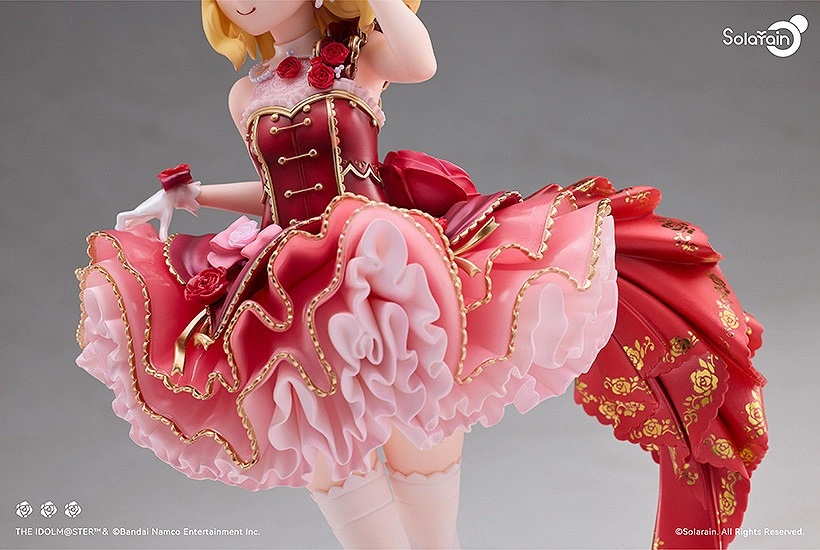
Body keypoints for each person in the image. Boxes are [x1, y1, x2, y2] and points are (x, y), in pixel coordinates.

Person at [75, 1, 767, 548]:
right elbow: (275, 192)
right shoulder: (245, 95)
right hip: (287, 285)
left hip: (382, 266)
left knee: (419, 438)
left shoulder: (362, 55)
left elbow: (421, 61)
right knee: (319, 438)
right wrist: (191, 196)